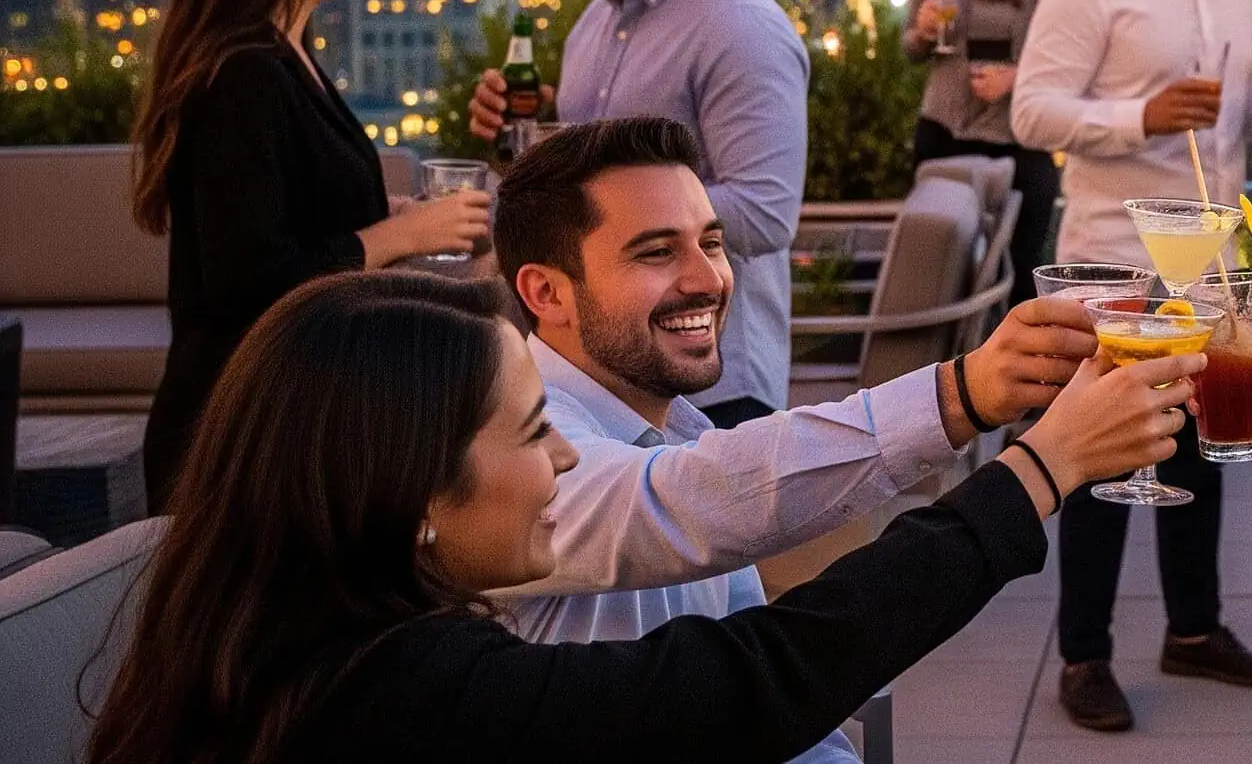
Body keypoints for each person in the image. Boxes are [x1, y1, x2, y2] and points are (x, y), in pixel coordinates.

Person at [85, 270, 1195, 764]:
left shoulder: (279, 646)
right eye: (531, 432)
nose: (567, 453)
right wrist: (1035, 474)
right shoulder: (397, 693)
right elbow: (741, 688)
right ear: (410, 491)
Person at [489, 116, 1106, 763]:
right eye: (656, 252)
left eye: (711, 243)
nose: (707, 278)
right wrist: (964, 395)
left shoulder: (682, 430)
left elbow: (769, 703)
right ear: (546, 291)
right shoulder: (502, 443)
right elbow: (669, 505)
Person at [1012, 0, 1252, 731]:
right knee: (1100, 462)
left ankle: (1194, 629)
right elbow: (1032, 111)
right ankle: (1083, 656)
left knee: (1207, 444)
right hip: (1114, 269)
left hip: (1210, 264)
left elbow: (1238, 112)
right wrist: (1137, 116)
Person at [131, 0, 488, 509]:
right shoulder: (243, 76)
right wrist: (398, 238)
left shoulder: (287, 58)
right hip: (237, 440)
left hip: (289, 417)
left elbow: (286, 218)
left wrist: (387, 217)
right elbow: (248, 279)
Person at [472, 0, 808, 429]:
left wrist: (611, 228)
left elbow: (765, 213)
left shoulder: (740, 26)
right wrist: (520, 135)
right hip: (601, 384)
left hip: (710, 389)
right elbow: (590, 177)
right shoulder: (595, 24)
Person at [902, 0, 1066, 302]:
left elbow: (1066, 50)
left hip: (1016, 135)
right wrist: (922, 29)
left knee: (1021, 271)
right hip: (942, 130)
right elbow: (910, 48)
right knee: (941, 271)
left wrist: (1016, 78)